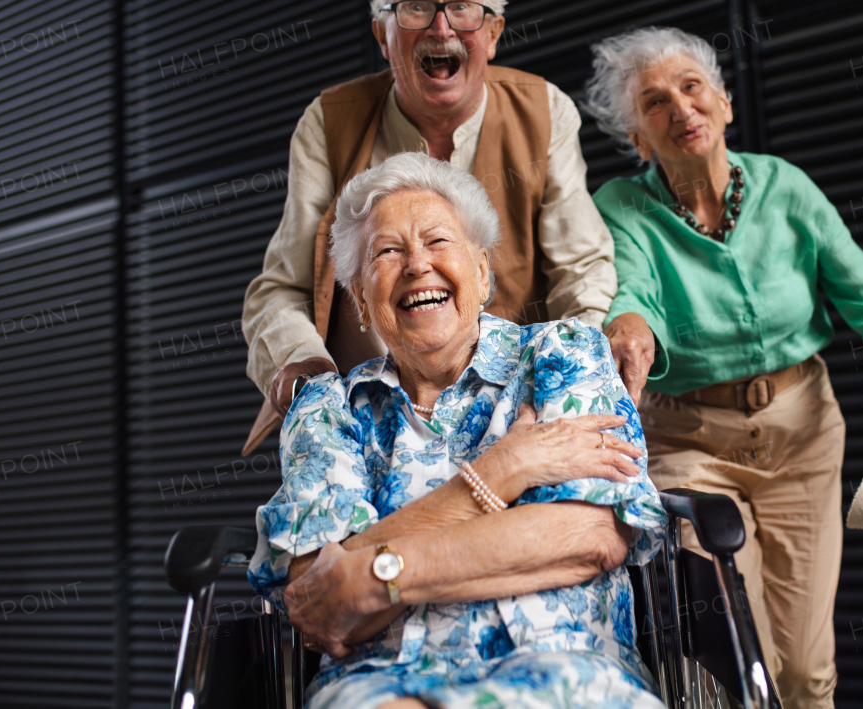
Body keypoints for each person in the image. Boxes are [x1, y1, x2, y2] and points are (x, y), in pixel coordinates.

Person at [584, 27, 863, 709]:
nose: (681, 109)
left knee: (806, 670)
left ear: (724, 102)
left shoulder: (788, 188)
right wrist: (630, 325)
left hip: (802, 435)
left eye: (691, 88)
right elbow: (633, 291)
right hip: (688, 439)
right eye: (655, 103)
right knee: (733, 651)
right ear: (639, 139)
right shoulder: (621, 206)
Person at [249, 152, 667, 709]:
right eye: (388, 251)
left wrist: (375, 573)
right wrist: (504, 469)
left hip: (566, 665)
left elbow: (587, 539)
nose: (417, 264)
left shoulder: (564, 354)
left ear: (483, 270)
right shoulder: (328, 408)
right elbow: (318, 601)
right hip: (381, 681)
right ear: (362, 303)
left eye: (438, 241)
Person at [241, 0, 656, 453]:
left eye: (462, 7)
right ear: (382, 34)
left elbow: (583, 272)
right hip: (362, 418)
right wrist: (310, 373)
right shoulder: (328, 123)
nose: (442, 28)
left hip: (512, 412)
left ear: (494, 31)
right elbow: (280, 289)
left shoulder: (544, 110)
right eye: (415, 7)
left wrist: (567, 374)